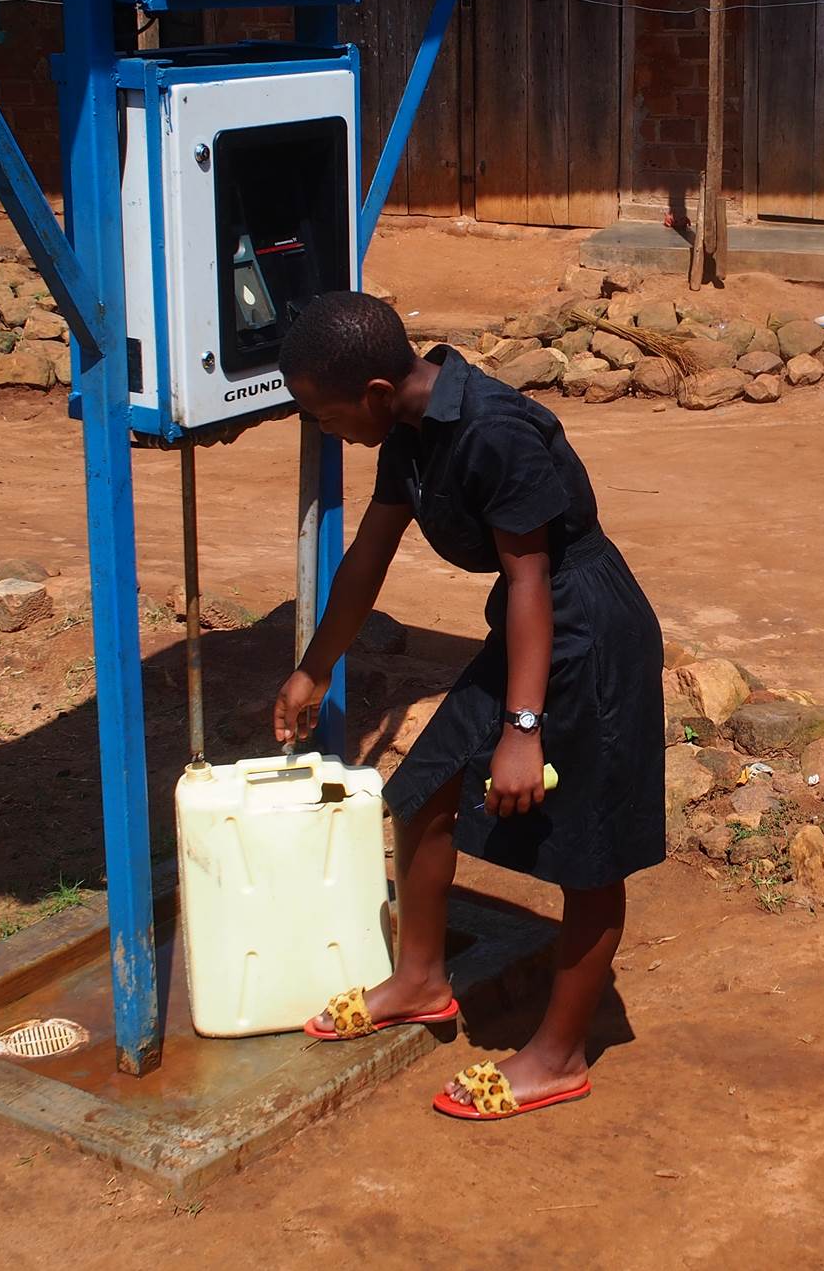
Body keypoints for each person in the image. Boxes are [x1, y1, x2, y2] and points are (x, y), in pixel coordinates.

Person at [273, 291, 665, 1121]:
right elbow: (368, 557)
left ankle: (559, 1055)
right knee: (419, 791)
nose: (322, 429)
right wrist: (313, 668)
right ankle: (420, 979)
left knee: (588, 851)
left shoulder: (493, 430)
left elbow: (530, 578)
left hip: (588, 631)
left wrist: (522, 730)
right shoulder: (410, 431)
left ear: (377, 392)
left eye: (323, 412)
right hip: (529, 628)